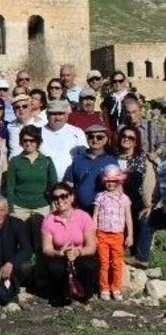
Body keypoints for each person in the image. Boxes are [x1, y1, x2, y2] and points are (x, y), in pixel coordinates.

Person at [38, 182, 99, 306]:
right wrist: (58, 253)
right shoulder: (49, 220)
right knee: (55, 268)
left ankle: (85, 293)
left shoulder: (83, 217)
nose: (59, 200)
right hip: (60, 255)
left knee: (89, 265)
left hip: (81, 254)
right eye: (55, 198)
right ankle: (61, 294)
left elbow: (91, 246)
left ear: (71, 197)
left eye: (63, 196)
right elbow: (46, 248)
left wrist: (78, 252)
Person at [115, 126, 158, 269]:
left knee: (143, 221)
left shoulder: (140, 158)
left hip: (135, 201)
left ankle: (140, 258)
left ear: (135, 142)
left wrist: (118, 177)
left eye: (131, 137)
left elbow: (135, 183)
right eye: (124, 136)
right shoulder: (112, 157)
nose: (126, 139)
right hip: (114, 202)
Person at [92, 165, 133, 301]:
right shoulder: (100, 197)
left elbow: (128, 218)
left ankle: (116, 288)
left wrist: (130, 235)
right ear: (104, 181)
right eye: (108, 181)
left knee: (116, 263)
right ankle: (104, 288)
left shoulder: (124, 198)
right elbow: (95, 216)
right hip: (102, 234)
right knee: (103, 263)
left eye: (113, 181)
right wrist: (93, 234)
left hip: (117, 235)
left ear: (118, 181)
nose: (110, 183)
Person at [5, 125, 57, 220]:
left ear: (38, 141)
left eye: (32, 140)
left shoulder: (47, 161)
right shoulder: (15, 161)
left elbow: (53, 185)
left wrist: (53, 203)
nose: (28, 143)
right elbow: (10, 186)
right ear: (21, 142)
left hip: (42, 207)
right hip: (19, 208)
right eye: (25, 140)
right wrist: (10, 208)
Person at [64, 124, 118, 213]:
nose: (95, 140)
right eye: (91, 137)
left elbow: (117, 187)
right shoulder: (77, 160)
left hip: (104, 211)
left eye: (99, 137)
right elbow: (69, 185)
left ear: (105, 140)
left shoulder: (111, 161)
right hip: (80, 210)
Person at [39, 100, 88, 179]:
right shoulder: (37, 132)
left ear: (67, 115)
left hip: (71, 182)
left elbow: (84, 158)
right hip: (44, 181)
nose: (57, 118)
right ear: (47, 115)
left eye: (60, 114)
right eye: (53, 114)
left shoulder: (77, 132)